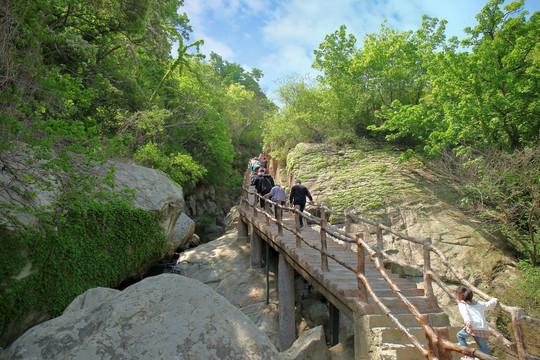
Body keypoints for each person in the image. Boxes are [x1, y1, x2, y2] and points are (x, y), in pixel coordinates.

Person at [456, 286, 498, 359]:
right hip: (483, 329)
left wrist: (467, 322)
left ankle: (468, 355)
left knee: (460, 336)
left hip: (473, 327)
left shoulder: (462, 304)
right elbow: (488, 305)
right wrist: (495, 300)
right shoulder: (477, 303)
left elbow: (465, 313)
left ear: (461, 296)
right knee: (485, 351)